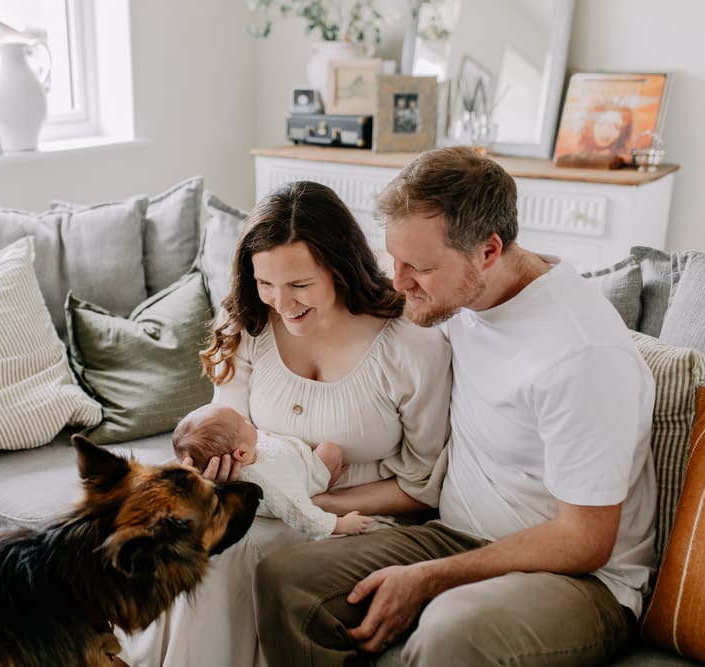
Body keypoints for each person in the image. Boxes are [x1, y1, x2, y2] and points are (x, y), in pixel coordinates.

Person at [254, 146, 657, 666]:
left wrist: (428, 578)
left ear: (488, 252)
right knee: (287, 581)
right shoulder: (459, 296)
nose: (398, 282)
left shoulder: (581, 355)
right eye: (394, 259)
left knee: (450, 633)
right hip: (457, 535)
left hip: (579, 581)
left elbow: (585, 541)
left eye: (417, 267)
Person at [115, 180, 452, 667]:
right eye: (265, 283)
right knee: (194, 543)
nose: (281, 302)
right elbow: (224, 428)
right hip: (264, 496)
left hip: (358, 514)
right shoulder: (247, 324)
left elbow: (423, 487)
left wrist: (314, 504)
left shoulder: (411, 347)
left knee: (233, 556)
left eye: (299, 285)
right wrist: (216, 474)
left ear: (340, 267)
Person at [173, 403, 376, 539]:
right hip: (303, 477)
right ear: (241, 454)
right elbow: (301, 514)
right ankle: (323, 486)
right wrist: (341, 524)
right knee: (331, 451)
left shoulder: (245, 448)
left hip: (291, 461)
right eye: (244, 421)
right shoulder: (272, 484)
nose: (246, 417)